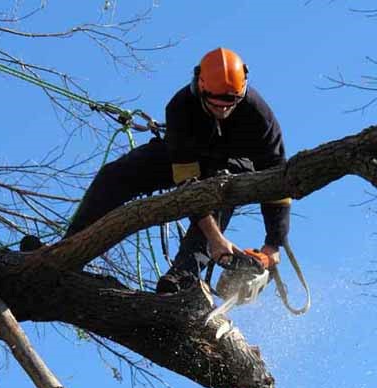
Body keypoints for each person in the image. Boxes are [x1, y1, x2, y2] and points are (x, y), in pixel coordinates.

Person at [60, 47, 291, 293]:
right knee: (116, 175)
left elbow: (278, 180)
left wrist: (273, 244)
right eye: (216, 103)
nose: (223, 109)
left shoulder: (260, 118)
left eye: (230, 103)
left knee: (224, 187)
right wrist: (215, 239)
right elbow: (187, 184)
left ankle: (182, 275)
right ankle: (66, 251)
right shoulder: (181, 107)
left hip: (232, 167)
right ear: (201, 87)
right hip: (186, 160)